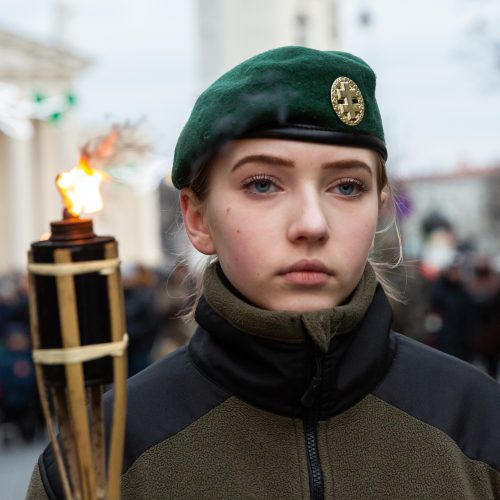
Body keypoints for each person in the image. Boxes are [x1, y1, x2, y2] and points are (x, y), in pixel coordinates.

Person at [27, 46, 500, 499]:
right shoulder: (111, 453)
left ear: (378, 208)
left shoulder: (477, 421)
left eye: (347, 186)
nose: (312, 224)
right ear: (197, 219)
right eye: (262, 184)